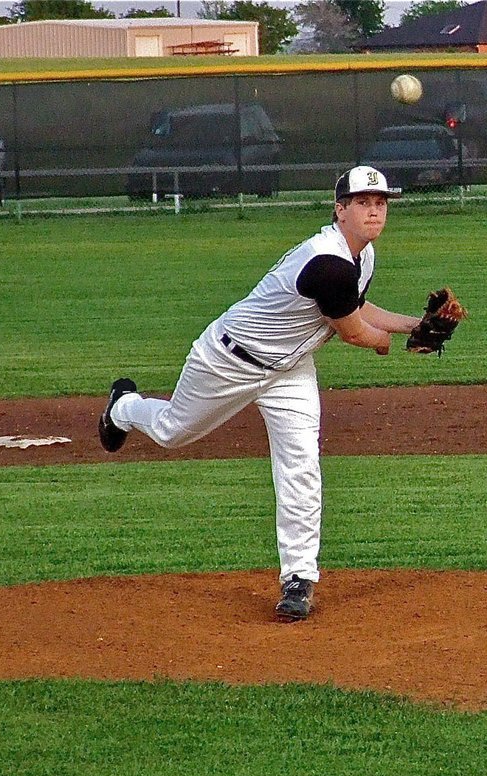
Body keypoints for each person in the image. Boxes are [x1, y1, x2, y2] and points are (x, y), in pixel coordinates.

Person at [99, 166, 423, 622]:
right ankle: (124, 407)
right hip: (228, 359)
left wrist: (413, 323)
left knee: (301, 466)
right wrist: (394, 341)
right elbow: (354, 332)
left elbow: (354, 306)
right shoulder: (326, 261)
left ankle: (298, 579)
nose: (374, 211)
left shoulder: (361, 257)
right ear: (340, 209)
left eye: (381, 202)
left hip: (288, 370)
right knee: (174, 431)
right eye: (363, 202)